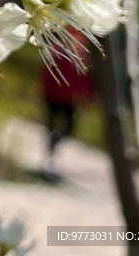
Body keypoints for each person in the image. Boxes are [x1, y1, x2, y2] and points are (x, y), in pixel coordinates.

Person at [40, 27, 95, 181]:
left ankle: (54, 146)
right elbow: (47, 71)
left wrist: (87, 97)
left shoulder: (82, 55)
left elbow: (84, 79)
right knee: (51, 125)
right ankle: (50, 158)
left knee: (68, 129)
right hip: (52, 95)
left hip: (69, 99)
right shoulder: (57, 50)